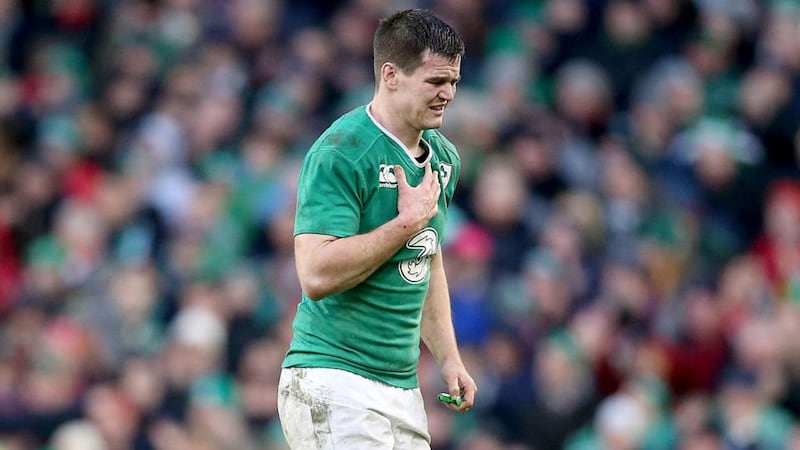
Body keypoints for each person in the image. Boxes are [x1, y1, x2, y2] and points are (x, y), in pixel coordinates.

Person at [278, 8, 477, 449]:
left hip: (402, 389)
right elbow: (315, 274)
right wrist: (405, 223)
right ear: (391, 75)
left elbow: (426, 258)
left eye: (453, 82)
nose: (447, 94)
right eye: (435, 81)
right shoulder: (342, 151)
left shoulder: (444, 158)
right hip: (335, 380)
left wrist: (449, 358)